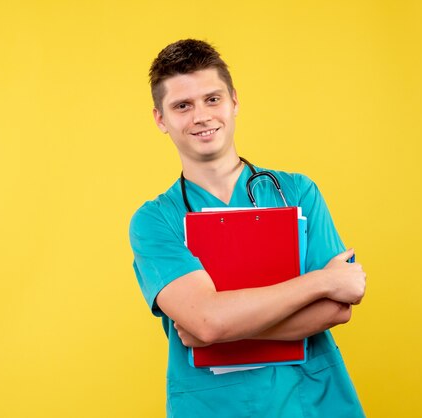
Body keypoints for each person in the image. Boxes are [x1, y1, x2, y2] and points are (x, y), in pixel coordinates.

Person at [129, 39, 367, 417]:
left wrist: (221, 330)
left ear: (234, 101)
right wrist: (320, 282)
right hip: (213, 405)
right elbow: (206, 323)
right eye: (182, 106)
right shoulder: (155, 220)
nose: (201, 116)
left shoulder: (297, 191)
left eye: (212, 99)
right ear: (161, 119)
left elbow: (335, 311)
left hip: (310, 401)